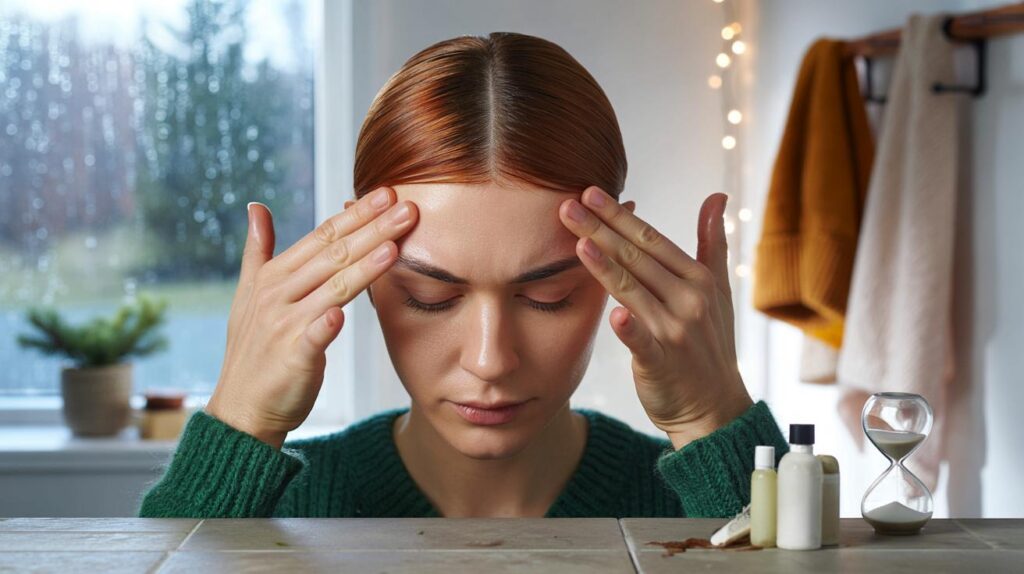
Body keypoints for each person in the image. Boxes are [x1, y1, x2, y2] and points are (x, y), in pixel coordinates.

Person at [138, 31, 789, 519]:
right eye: (429, 297)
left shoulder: (696, 502)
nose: (489, 361)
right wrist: (238, 425)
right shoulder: (286, 506)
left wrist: (717, 422)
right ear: (359, 271)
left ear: (621, 268)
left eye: (546, 297)